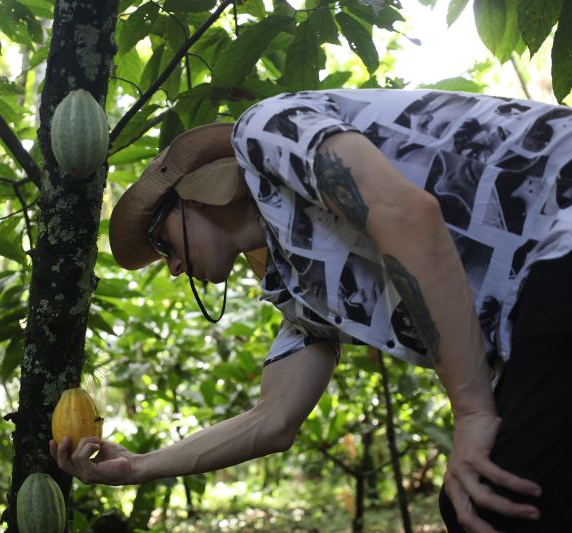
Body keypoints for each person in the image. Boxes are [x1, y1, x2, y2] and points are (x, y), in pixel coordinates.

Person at [50, 89, 572, 532]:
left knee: (489, 501)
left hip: (558, 230)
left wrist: (474, 412)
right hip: (536, 306)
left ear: (194, 195)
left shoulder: (264, 130)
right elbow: (274, 420)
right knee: (482, 502)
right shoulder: (301, 286)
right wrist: (139, 466)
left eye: (164, 244)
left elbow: (407, 215)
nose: (173, 268)